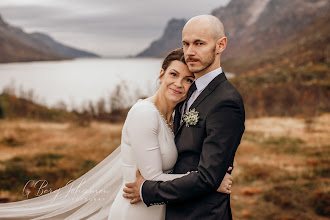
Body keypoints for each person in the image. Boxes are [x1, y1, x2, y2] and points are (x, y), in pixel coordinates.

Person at [0, 48, 232, 220]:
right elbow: (151, 179)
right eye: (173, 75)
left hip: (159, 208)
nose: (179, 84)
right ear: (161, 75)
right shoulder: (144, 113)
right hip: (138, 211)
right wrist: (208, 182)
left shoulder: (174, 117)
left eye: (188, 79)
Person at [123, 15, 245, 220]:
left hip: (201, 215)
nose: (190, 52)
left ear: (220, 45)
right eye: (186, 44)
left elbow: (207, 178)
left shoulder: (225, 101)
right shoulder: (189, 93)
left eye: (199, 43)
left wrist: (146, 190)